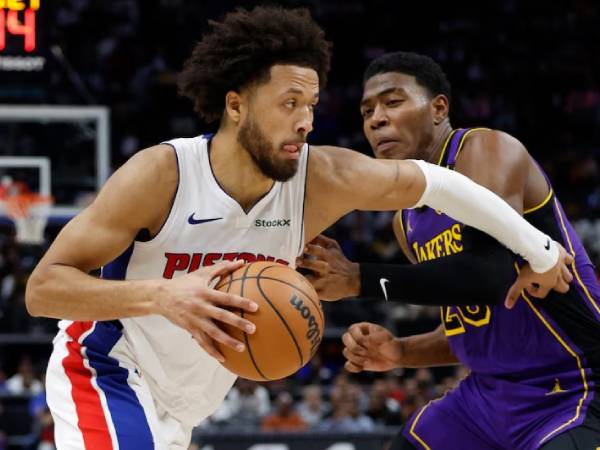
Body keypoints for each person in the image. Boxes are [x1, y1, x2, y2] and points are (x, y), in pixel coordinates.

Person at [25, 9, 571, 450]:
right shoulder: (160, 174)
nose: (306, 120)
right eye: (289, 104)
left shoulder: (320, 178)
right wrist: (165, 296)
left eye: (310, 104)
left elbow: (438, 185)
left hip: (189, 402)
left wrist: (538, 247)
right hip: (106, 369)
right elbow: (43, 289)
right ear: (235, 105)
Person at [297, 52, 600, 449]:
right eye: (367, 110)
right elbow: (469, 324)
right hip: (485, 398)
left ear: (439, 108)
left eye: (393, 102)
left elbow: (491, 276)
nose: (376, 119)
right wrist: (400, 351)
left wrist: (358, 278)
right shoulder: (405, 221)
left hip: (575, 387)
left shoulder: (486, 149)